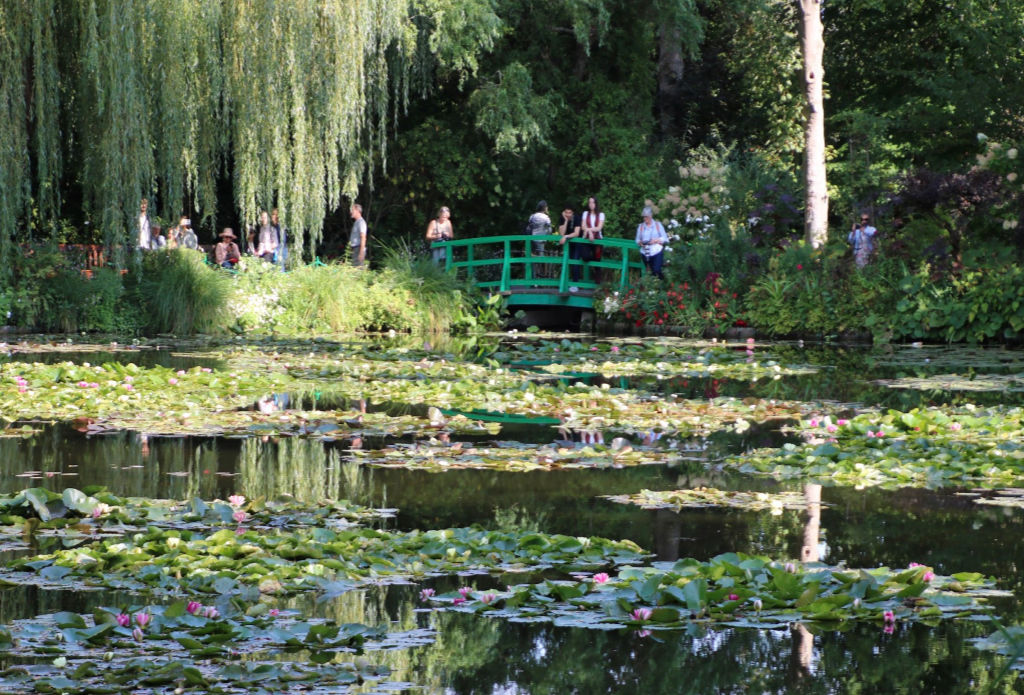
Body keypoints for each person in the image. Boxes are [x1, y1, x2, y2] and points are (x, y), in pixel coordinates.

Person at [636, 206, 669, 279]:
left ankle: (661, 284)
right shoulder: (641, 226)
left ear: (651, 216)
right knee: (650, 272)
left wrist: (656, 240)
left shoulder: (658, 225)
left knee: (657, 270)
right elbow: (637, 239)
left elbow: (665, 238)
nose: (645, 219)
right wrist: (640, 243)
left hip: (656, 250)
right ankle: (653, 288)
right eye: (644, 217)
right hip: (645, 252)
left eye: (646, 217)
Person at [557, 203, 583, 289]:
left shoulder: (577, 218)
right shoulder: (563, 218)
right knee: (568, 262)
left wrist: (566, 236)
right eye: (566, 212)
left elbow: (576, 233)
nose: (568, 214)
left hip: (577, 242)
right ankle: (567, 283)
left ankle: (576, 284)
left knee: (575, 262)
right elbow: (561, 233)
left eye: (570, 213)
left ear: (573, 213)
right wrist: (565, 220)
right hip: (568, 243)